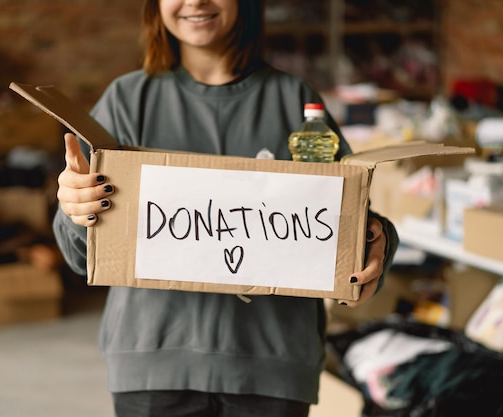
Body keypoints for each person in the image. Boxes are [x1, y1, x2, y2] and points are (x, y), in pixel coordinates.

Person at [52, 0, 399, 416]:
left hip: (272, 364)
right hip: (153, 362)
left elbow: (349, 224)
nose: (196, 1)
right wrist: (77, 208)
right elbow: (79, 254)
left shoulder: (296, 101)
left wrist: (377, 240)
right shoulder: (126, 100)